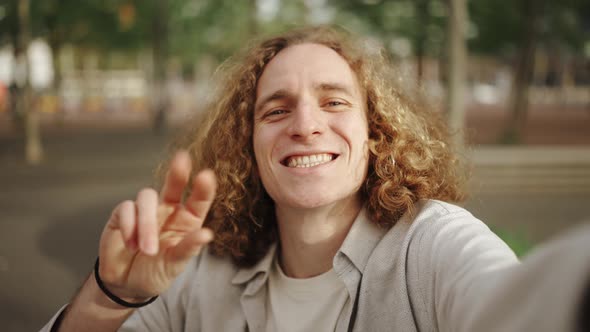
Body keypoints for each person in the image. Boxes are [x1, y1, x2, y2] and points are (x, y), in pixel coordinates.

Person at [42, 26, 590, 332]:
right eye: (275, 111)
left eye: (333, 102)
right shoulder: (196, 269)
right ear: (246, 146)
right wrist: (109, 298)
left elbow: (517, 305)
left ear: (375, 132)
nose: (306, 125)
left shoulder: (433, 246)